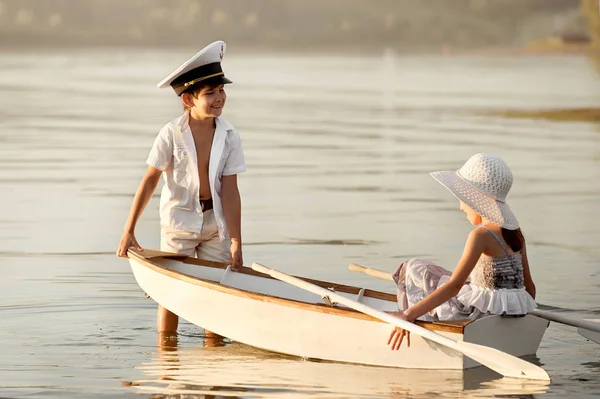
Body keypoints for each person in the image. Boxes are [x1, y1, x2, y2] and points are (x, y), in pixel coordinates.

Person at [116, 40, 246, 336]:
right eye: (210, 93)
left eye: (221, 90)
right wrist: (129, 229)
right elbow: (149, 181)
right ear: (188, 100)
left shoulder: (229, 136)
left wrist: (236, 239)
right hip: (178, 223)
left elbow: (230, 190)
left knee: (217, 295)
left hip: (216, 225)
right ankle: (167, 359)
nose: (219, 98)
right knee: (170, 295)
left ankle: (213, 355)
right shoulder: (171, 134)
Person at [387, 153, 536, 350]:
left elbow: (454, 287)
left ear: (477, 199)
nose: (460, 207)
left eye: (463, 199)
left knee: (414, 268)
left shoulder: (480, 236)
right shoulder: (516, 235)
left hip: (476, 317)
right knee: (447, 279)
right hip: (502, 314)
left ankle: (412, 321)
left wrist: (409, 314)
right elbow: (530, 289)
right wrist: (515, 316)